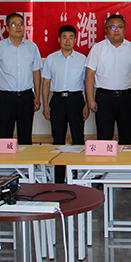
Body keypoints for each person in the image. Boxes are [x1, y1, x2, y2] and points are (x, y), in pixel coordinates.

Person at [0, 13, 42, 145]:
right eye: (14, 24)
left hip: (26, 97)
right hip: (6, 98)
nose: (18, 27)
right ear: (7, 28)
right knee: (5, 135)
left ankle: (26, 159)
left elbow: (36, 72)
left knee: (25, 136)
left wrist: (37, 95)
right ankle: (5, 159)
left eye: (21, 24)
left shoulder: (32, 47)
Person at [85, 14, 131, 144]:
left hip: (127, 97)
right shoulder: (97, 48)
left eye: (120, 27)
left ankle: (126, 158)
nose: (116, 30)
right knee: (104, 137)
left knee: (127, 137)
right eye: (112, 27)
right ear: (106, 30)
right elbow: (89, 75)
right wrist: (90, 100)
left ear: (124, 29)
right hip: (104, 98)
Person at [42, 25, 88, 182]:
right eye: (64, 37)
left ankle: (78, 175)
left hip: (76, 100)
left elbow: (87, 83)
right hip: (57, 100)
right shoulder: (51, 58)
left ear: (75, 39)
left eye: (71, 37)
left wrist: (86, 104)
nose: (67, 40)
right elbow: (46, 82)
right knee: (58, 138)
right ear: (59, 39)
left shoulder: (82, 59)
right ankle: (59, 178)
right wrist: (45, 105)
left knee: (78, 137)